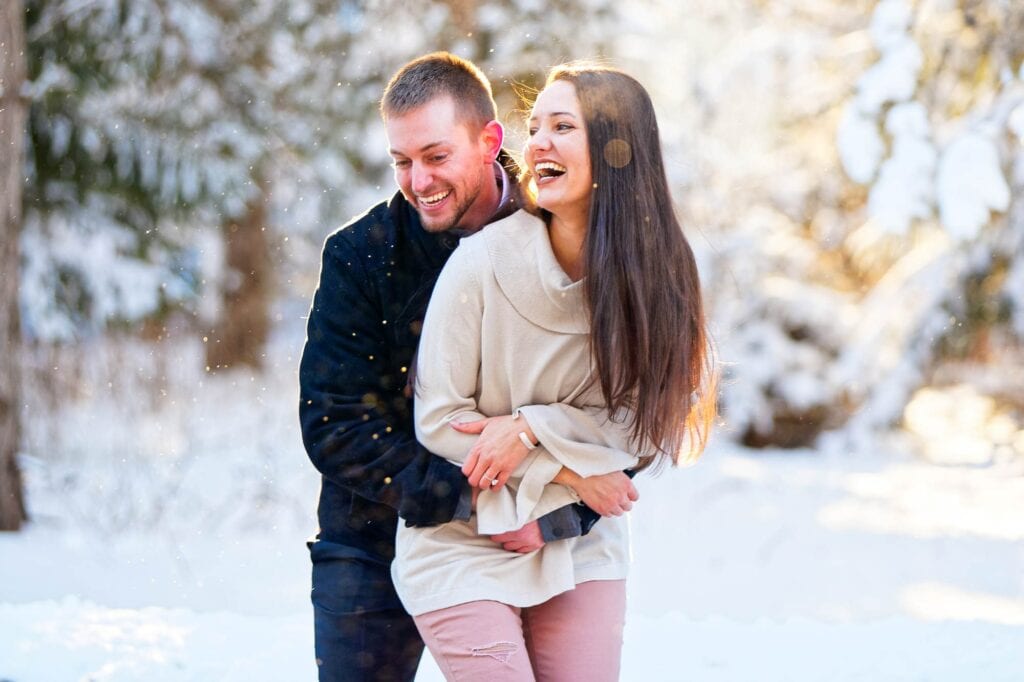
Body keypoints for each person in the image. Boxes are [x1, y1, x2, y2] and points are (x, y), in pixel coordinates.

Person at [298, 53, 638, 682]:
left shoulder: (557, 229)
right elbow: (336, 424)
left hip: (542, 535)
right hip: (372, 531)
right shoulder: (362, 256)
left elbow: (615, 409)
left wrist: (564, 512)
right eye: (401, 161)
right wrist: (476, 504)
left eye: (435, 156)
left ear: (489, 141)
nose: (417, 180)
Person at [392, 63, 716, 681]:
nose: (536, 142)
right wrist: (568, 467)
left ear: (619, 150)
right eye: (535, 126)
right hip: (463, 537)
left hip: (578, 542)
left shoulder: (660, 274)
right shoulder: (483, 260)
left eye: (562, 126)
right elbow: (440, 420)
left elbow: (641, 429)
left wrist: (531, 428)